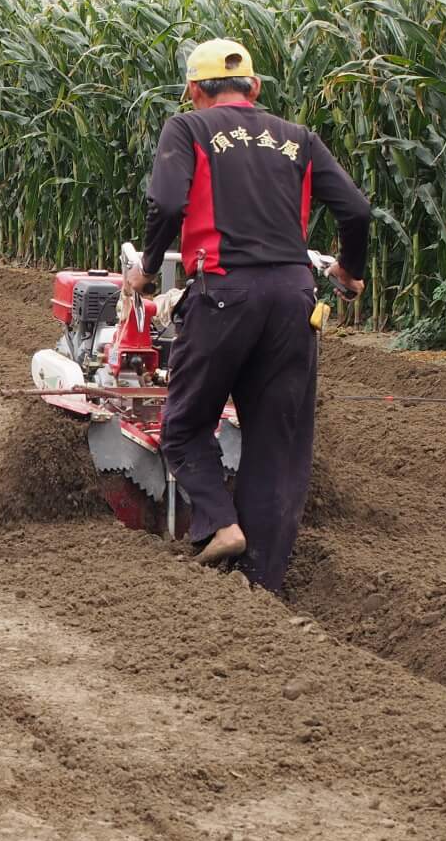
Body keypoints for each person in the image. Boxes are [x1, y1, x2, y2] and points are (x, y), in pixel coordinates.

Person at [126, 37, 370, 594]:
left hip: (223, 294)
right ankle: (262, 585)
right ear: (254, 88)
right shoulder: (299, 139)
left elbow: (166, 203)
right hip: (293, 299)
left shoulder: (187, 129)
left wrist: (144, 270)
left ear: (193, 90)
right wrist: (351, 271)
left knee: (185, 424)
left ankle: (219, 522)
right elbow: (356, 209)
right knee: (276, 448)